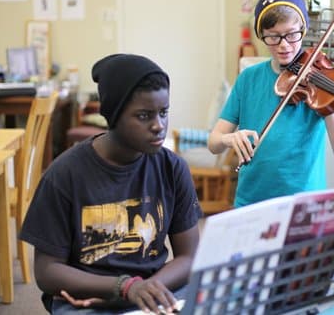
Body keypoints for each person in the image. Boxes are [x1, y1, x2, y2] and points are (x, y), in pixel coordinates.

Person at [20, 54, 203, 314]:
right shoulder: (64, 175)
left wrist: (145, 289)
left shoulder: (172, 168)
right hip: (88, 296)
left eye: (163, 113)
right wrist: (123, 288)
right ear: (113, 116)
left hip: (155, 286)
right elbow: (47, 272)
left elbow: (189, 256)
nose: (158, 126)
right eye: (143, 116)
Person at [208, 0, 334, 207]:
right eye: (273, 36)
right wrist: (229, 139)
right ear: (261, 35)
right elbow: (213, 143)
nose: (284, 45)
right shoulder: (248, 79)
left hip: (304, 204)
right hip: (251, 200)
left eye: (292, 34)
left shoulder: (320, 82)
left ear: (303, 30)